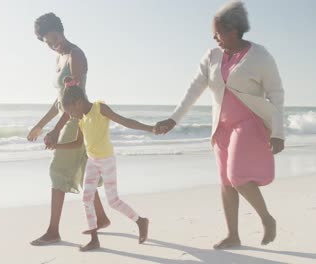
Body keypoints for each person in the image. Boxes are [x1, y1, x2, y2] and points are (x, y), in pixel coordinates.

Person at [155, 1, 284, 249]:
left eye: (217, 32)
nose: (214, 37)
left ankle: (267, 219)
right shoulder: (212, 56)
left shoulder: (260, 56)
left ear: (233, 30)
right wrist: (174, 118)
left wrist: (278, 132)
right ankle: (233, 235)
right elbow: (194, 89)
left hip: (249, 123)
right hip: (221, 127)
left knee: (237, 176)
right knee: (226, 181)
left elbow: (276, 94)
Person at [27, 13, 110, 246]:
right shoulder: (59, 58)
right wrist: (41, 125)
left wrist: (56, 130)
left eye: (52, 38)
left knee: (58, 172)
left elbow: (75, 98)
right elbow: (59, 101)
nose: (52, 45)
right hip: (71, 118)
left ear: (59, 29)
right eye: (47, 42)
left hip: (75, 120)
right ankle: (101, 218)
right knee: (85, 172)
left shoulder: (75, 54)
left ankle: (53, 231)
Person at [49, 82, 150, 251]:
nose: (72, 116)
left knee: (113, 201)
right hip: (92, 162)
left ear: (78, 102)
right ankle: (94, 239)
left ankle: (141, 221)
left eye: (72, 111)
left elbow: (125, 121)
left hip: (107, 161)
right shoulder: (82, 120)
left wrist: (151, 129)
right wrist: (56, 146)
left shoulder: (100, 108)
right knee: (86, 198)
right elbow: (77, 143)